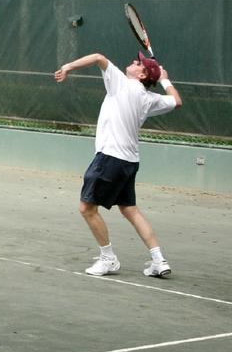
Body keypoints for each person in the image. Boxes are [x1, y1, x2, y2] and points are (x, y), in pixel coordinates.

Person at [54, 51, 182, 278]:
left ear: (141, 74)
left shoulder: (121, 84)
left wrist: (68, 67)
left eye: (138, 63)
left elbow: (97, 57)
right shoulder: (149, 99)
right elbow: (176, 101)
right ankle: (158, 260)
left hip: (109, 159)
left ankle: (108, 259)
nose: (133, 62)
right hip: (129, 162)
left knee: (87, 208)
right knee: (129, 209)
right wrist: (164, 79)